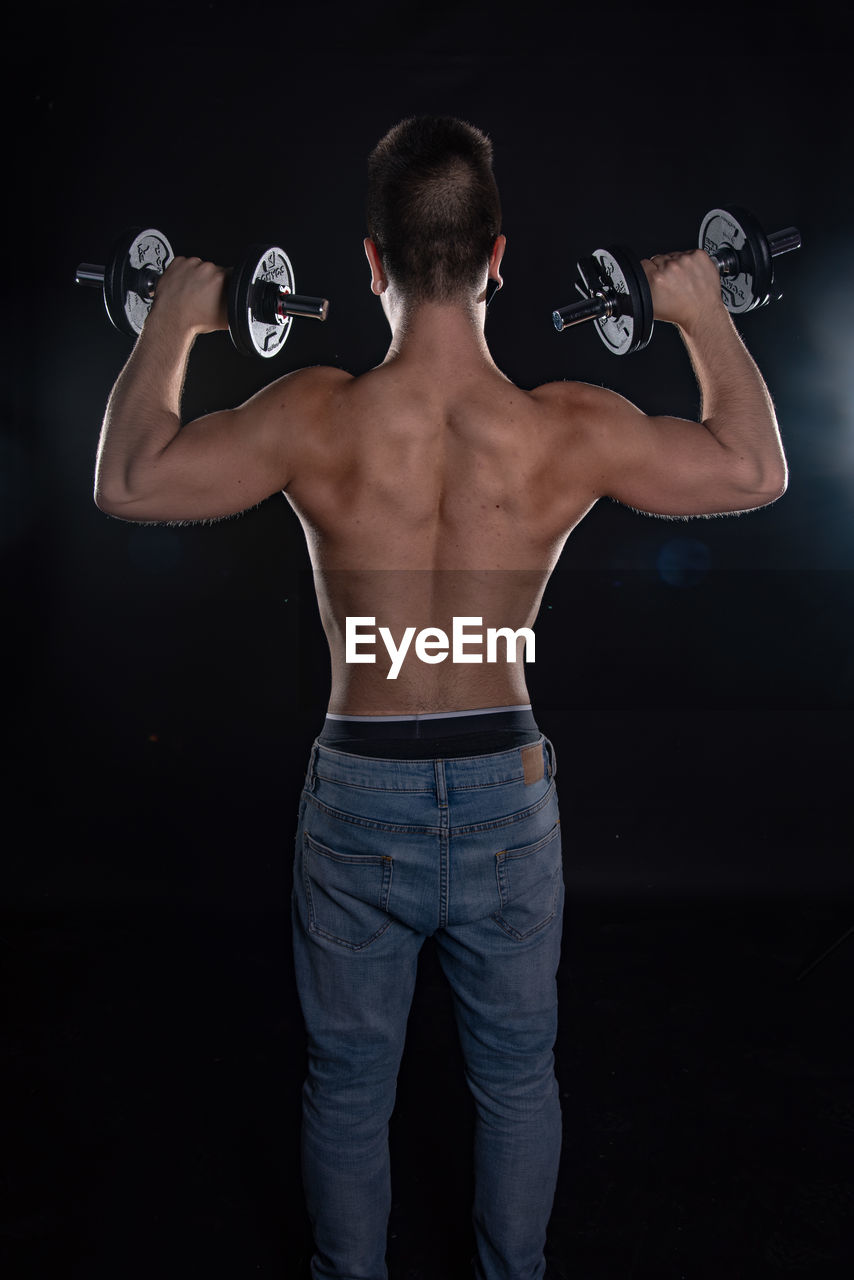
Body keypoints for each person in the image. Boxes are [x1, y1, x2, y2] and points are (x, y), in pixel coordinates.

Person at [93, 117, 788, 1280]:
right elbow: (752, 469)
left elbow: (125, 481)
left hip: (359, 790)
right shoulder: (566, 425)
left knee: (346, 1082)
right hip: (505, 790)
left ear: (369, 261)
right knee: (516, 1076)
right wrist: (704, 314)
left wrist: (168, 322)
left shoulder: (311, 413)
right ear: (498, 257)